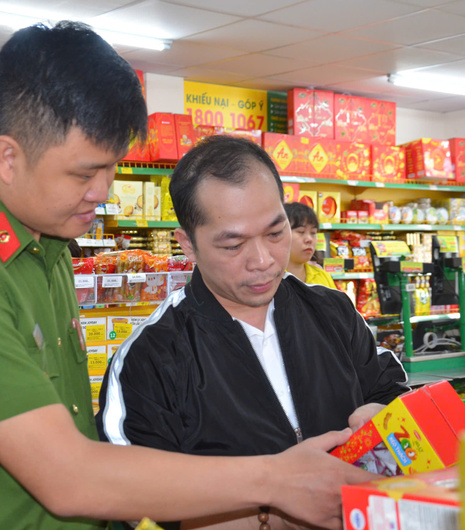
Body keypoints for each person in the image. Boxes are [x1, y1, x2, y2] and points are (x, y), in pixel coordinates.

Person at [0, 22, 379, 530]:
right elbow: (69, 477)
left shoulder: (46, 250)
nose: (104, 192)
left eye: (111, 168)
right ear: (10, 157)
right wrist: (275, 482)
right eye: (84, 173)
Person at [96, 136, 409, 529]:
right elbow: (134, 502)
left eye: (275, 233)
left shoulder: (333, 311)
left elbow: (391, 391)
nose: (262, 261)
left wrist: (382, 417)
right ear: (188, 245)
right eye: (233, 245)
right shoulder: (151, 356)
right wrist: (271, 512)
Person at [283, 202, 336, 288]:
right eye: (301, 232)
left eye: (313, 233)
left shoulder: (323, 277)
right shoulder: (270, 280)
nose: (309, 239)